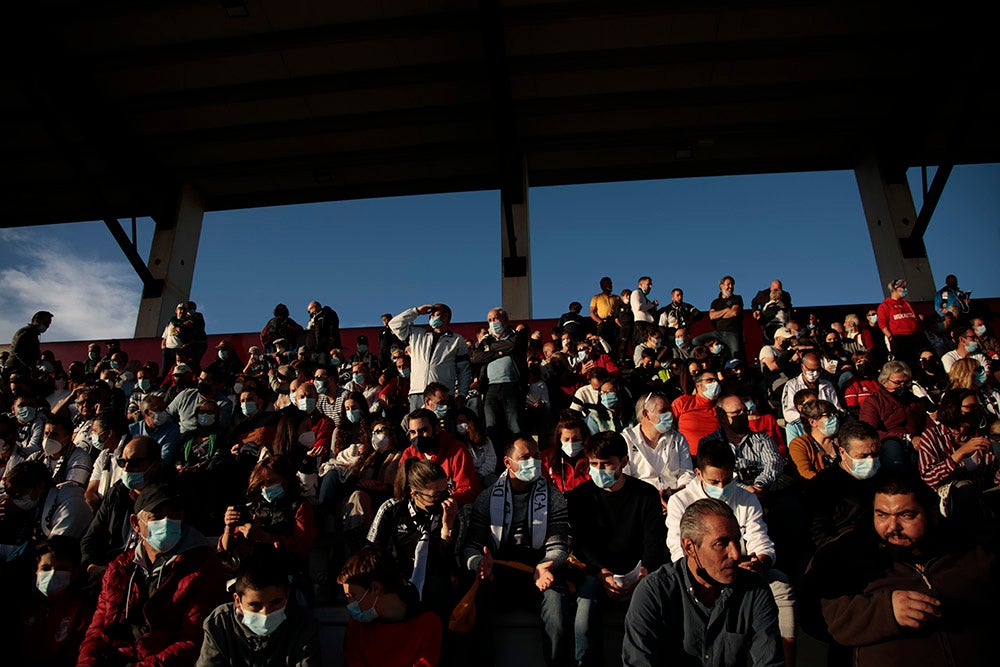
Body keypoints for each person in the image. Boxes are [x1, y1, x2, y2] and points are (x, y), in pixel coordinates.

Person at [808, 474, 997, 667]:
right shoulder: (843, 554)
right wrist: (884, 611)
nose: (893, 527)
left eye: (907, 515)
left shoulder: (973, 550)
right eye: (882, 515)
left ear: (932, 513)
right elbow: (814, 615)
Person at [667, 440, 796, 665]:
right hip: (700, 577)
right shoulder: (680, 501)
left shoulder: (746, 497)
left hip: (742, 570)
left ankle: (784, 661)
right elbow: (678, 551)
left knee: (781, 585)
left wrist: (760, 563)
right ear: (698, 473)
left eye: (727, 480)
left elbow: (760, 540)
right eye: (714, 481)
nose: (722, 486)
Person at [77, 482, 226, 666]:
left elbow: (193, 640)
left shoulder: (203, 567)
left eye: (174, 516)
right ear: (136, 524)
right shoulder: (121, 566)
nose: (166, 522)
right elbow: (97, 629)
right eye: (157, 516)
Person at [622, 498, 782, 666]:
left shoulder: (754, 589)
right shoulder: (654, 591)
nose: (735, 554)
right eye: (721, 544)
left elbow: (770, 661)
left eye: (736, 540)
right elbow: (638, 662)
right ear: (689, 547)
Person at [462, 435, 572, 667]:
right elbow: (472, 545)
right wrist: (478, 563)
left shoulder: (553, 497)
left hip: (540, 570)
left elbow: (559, 544)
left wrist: (547, 564)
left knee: (556, 608)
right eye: (524, 457)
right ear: (507, 463)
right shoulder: (487, 498)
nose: (533, 462)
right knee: (475, 608)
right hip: (498, 570)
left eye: (536, 457)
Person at [568, 430, 666, 666]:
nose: (600, 470)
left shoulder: (645, 494)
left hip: (638, 571)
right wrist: (602, 572)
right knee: (584, 615)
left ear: (623, 461)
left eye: (606, 464)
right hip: (596, 573)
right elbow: (582, 543)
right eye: (594, 464)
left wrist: (644, 571)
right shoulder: (581, 496)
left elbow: (654, 540)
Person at [197, 547, 321, 666]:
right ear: (238, 601)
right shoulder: (220, 624)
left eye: (276, 602)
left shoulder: (302, 625)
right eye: (255, 605)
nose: (266, 613)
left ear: (287, 595)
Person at [367, 458, 459, 614]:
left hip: (435, 587)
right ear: (415, 493)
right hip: (398, 584)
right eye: (435, 495)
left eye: (446, 491)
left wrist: (447, 528)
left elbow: (447, 563)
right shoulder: (392, 509)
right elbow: (372, 553)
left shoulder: (451, 511)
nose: (443, 498)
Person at [338, 545, 443, 667]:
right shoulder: (357, 625)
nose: (350, 604)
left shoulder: (427, 623)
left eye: (352, 596)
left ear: (374, 588)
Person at [81, 436, 164, 580]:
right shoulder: (118, 491)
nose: (126, 468)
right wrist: (91, 565)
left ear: (155, 465)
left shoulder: (167, 498)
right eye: (122, 462)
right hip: (108, 570)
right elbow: (91, 538)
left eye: (135, 463)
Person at [917, 388, 999, 524]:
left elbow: (990, 471)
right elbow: (929, 477)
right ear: (953, 409)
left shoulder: (978, 434)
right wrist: (959, 454)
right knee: (964, 488)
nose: (975, 411)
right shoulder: (932, 436)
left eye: (977, 407)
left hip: (982, 492)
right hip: (949, 498)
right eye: (969, 407)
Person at [14, 535, 92, 667]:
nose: (52, 575)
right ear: (35, 571)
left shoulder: (82, 612)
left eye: (62, 569)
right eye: (46, 568)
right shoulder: (21, 608)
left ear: (75, 572)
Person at [806, 420, 882, 549]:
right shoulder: (823, 485)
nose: (871, 460)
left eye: (874, 455)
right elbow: (818, 533)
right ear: (842, 452)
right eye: (862, 456)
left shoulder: (886, 478)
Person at [621, 392, 695, 513]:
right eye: (663, 410)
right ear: (646, 414)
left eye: (669, 409)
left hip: (676, 502)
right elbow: (625, 479)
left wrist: (674, 495)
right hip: (641, 504)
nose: (669, 414)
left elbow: (686, 473)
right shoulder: (627, 440)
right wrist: (652, 499)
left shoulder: (677, 439)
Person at [390, 303, 472, 411]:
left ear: (446, 316)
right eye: (430, 315)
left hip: (443, 395)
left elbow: (464, 371)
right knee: (417, 426)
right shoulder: (417, 334)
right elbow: (394, 324)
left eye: (435, 314)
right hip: (417, 393)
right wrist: (417, 311)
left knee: (442, 427)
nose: (431, 316)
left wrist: (462, 395)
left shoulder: (456, 340)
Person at [470, 307, 530, 447]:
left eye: (495, 319)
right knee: (492, 427)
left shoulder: (517, 335)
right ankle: (496, 464)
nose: (492, 322)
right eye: (489, 320)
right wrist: (498, 353)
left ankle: (519, 459)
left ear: (505, 320)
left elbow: (513, 344)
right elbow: (476, 357)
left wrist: (490, 348)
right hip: (490, 389)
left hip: (512, 386)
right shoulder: (486, 340)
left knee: (515, 426)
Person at [699, 395, 783, 494]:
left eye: (744, 411)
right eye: (737, 412)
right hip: (727, 491)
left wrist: (759, 484)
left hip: (762, 487)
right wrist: (743, 488)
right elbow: (712, 475)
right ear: (722, 417)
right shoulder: (709, 443)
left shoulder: (762, 438)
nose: (742, 415)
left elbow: (774, 462)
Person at [858, 360, 929, 473]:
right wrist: (905, 437)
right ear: (884, 382)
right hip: (890, 444)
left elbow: (927, 423)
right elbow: (869, 431)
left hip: (917, 442)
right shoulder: (873, 401)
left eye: (906, 383)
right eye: (898, 383)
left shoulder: (914, 401)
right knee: (893, 447)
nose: (903, 386)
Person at [398, 408, 481, 505]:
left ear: (436, 429)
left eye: (423, 430)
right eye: (413, 432)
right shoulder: (409, 454)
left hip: (451, 506)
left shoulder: (457, 451)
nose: (417, 436)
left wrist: (442, 504)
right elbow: (402, 488)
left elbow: (467, 490)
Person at [780, 351, 846, 443]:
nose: (814, 373)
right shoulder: (791, 385)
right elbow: (789, 414)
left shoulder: (827, 385)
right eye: (811, 370)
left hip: (827, 427)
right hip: (803, 427)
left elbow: (837, 407)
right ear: (802, 367)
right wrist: (813, 421)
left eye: (817, 370)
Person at [671, 369, 724, 455]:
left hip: (715, 459)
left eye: (716, 380)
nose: (715, 383)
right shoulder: (683, 402)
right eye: (709, 380)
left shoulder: (722, 407)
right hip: (687, 458)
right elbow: (666, 423)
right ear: (698, 385)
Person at [788, 400, 840, 480]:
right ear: (812, 422)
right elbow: (805, 473)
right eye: (828, 415)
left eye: (835, 414)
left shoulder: (841, 439)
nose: (834, 418)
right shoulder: (799, 444)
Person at [542, 410, 592, 494]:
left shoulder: (593, 457)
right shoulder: (547, 457)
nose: (571, 443)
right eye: (566, 439)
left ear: (583, 438)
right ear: (559, 438)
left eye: (576, 439)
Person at [876, 279, 923, 368]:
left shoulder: (908, 304)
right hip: (899, 338)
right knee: (904, 364)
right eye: (902, 288)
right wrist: (891, 337)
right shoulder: (885, 305)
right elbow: (882, 323)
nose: (905, 290)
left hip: (915, 336)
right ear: (894, 289)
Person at [130, 393, 182, 466]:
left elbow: (165, 459)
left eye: (164, 409)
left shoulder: (172, 430)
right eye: (159, 410)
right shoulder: (132, 430)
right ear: (147, 413)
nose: (164, 413)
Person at [4, 310, 53, 382]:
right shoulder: (27, 332)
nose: (47, 326)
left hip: (22, 369)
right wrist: (31, 366)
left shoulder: (34, 334)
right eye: (45, 323)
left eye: (48, 324)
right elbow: (17, 351)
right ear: (36, 320)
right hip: (14, 370)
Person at [304, 300, 341, 365]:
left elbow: (333, 331)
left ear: (315, 307)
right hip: (314, 351)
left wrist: (327, 345)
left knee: (323, 367)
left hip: (324, 350)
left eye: (310, 310)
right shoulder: (313, 319)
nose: (310, 313)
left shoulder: (328, 314)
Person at [589, 276, 621, 350]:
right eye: (607, 283)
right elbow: (592, 312)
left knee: (615, 343)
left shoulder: (616, 298)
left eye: (610, 283)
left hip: (614, 323)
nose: (610, 285)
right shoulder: (596, 297)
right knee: (602, 342)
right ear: (602, 286)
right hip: (603, 322)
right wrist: (600, 322)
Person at [629, 276, 659, 344]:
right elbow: (638, 307)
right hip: (641, 325)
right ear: (640, 285)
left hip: (648, 325)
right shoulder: (636, 292)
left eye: (651, 284)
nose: (650, 287)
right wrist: (652, 305)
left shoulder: (645, 298)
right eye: (648, 284)